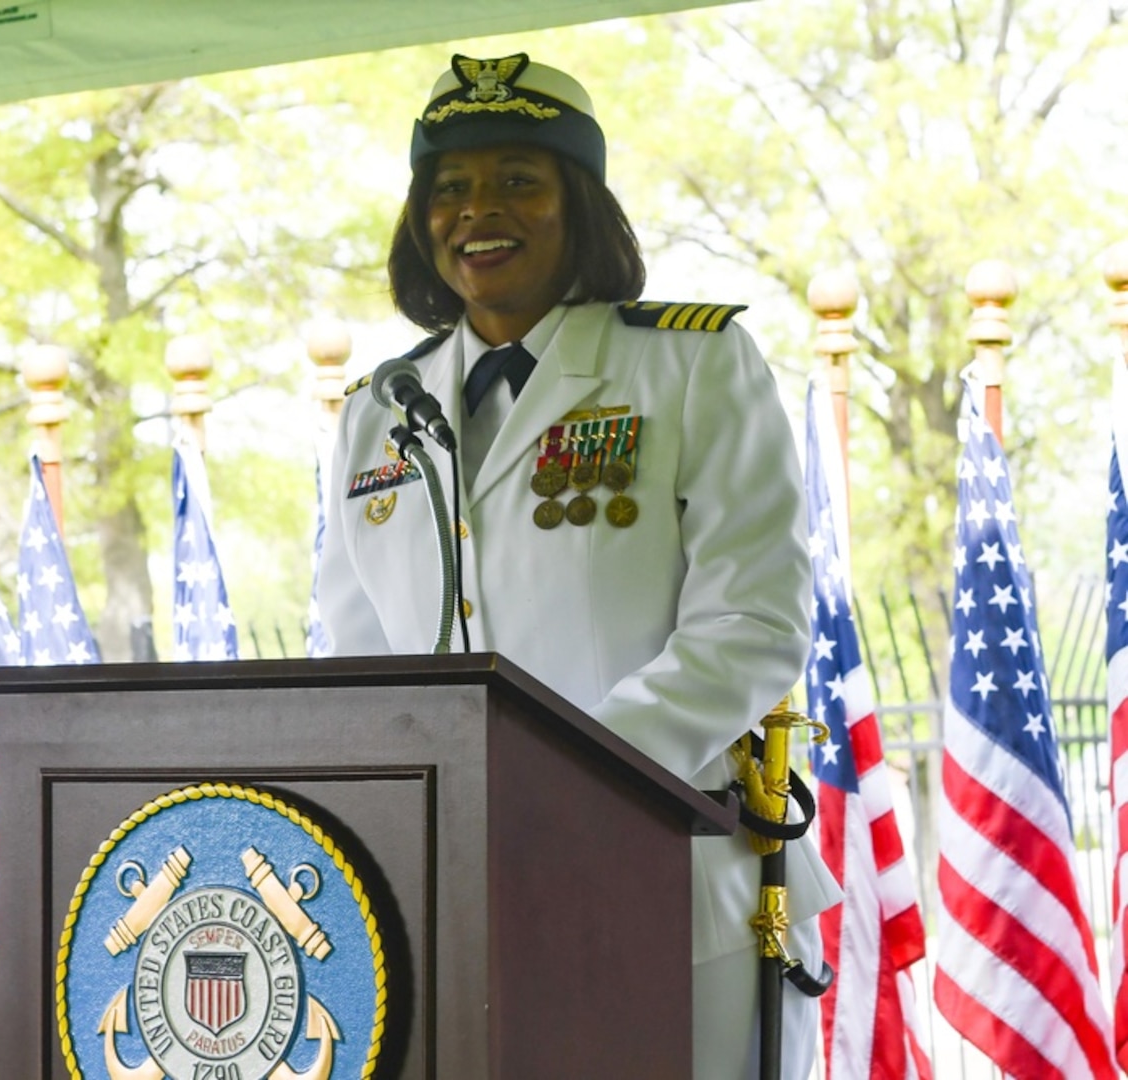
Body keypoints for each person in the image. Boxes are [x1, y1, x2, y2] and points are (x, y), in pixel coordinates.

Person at [314, 53, 842, 1079]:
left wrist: (557, 780)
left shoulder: (690, 364)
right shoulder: (378, 410)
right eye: (449, 186)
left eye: (518, 178)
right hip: (447, 894)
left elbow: (753, 628)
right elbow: (354, 654)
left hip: (670, 888)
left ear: (580, 207)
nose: (478, 211)